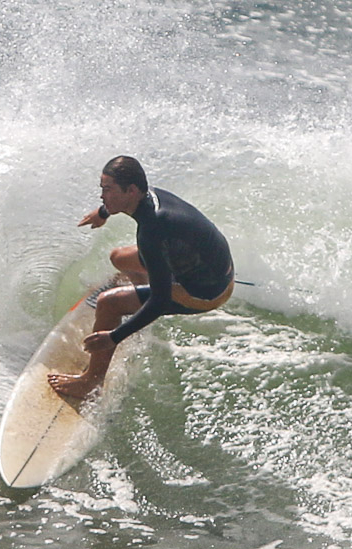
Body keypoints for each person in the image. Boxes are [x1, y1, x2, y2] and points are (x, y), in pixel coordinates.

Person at [48, 156, 234, 401]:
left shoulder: (153, 229)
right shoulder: (150, 197)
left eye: (108, 190)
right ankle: (136, 302)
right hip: (203, 264)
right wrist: (103, 213)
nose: (102, 196)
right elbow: (122, 208)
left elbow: (160, 299)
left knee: (107, 303)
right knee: (119, 258)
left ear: (132, 190)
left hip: (206, 290)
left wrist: (114, 337)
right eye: (102, 189)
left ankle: (90, 383)